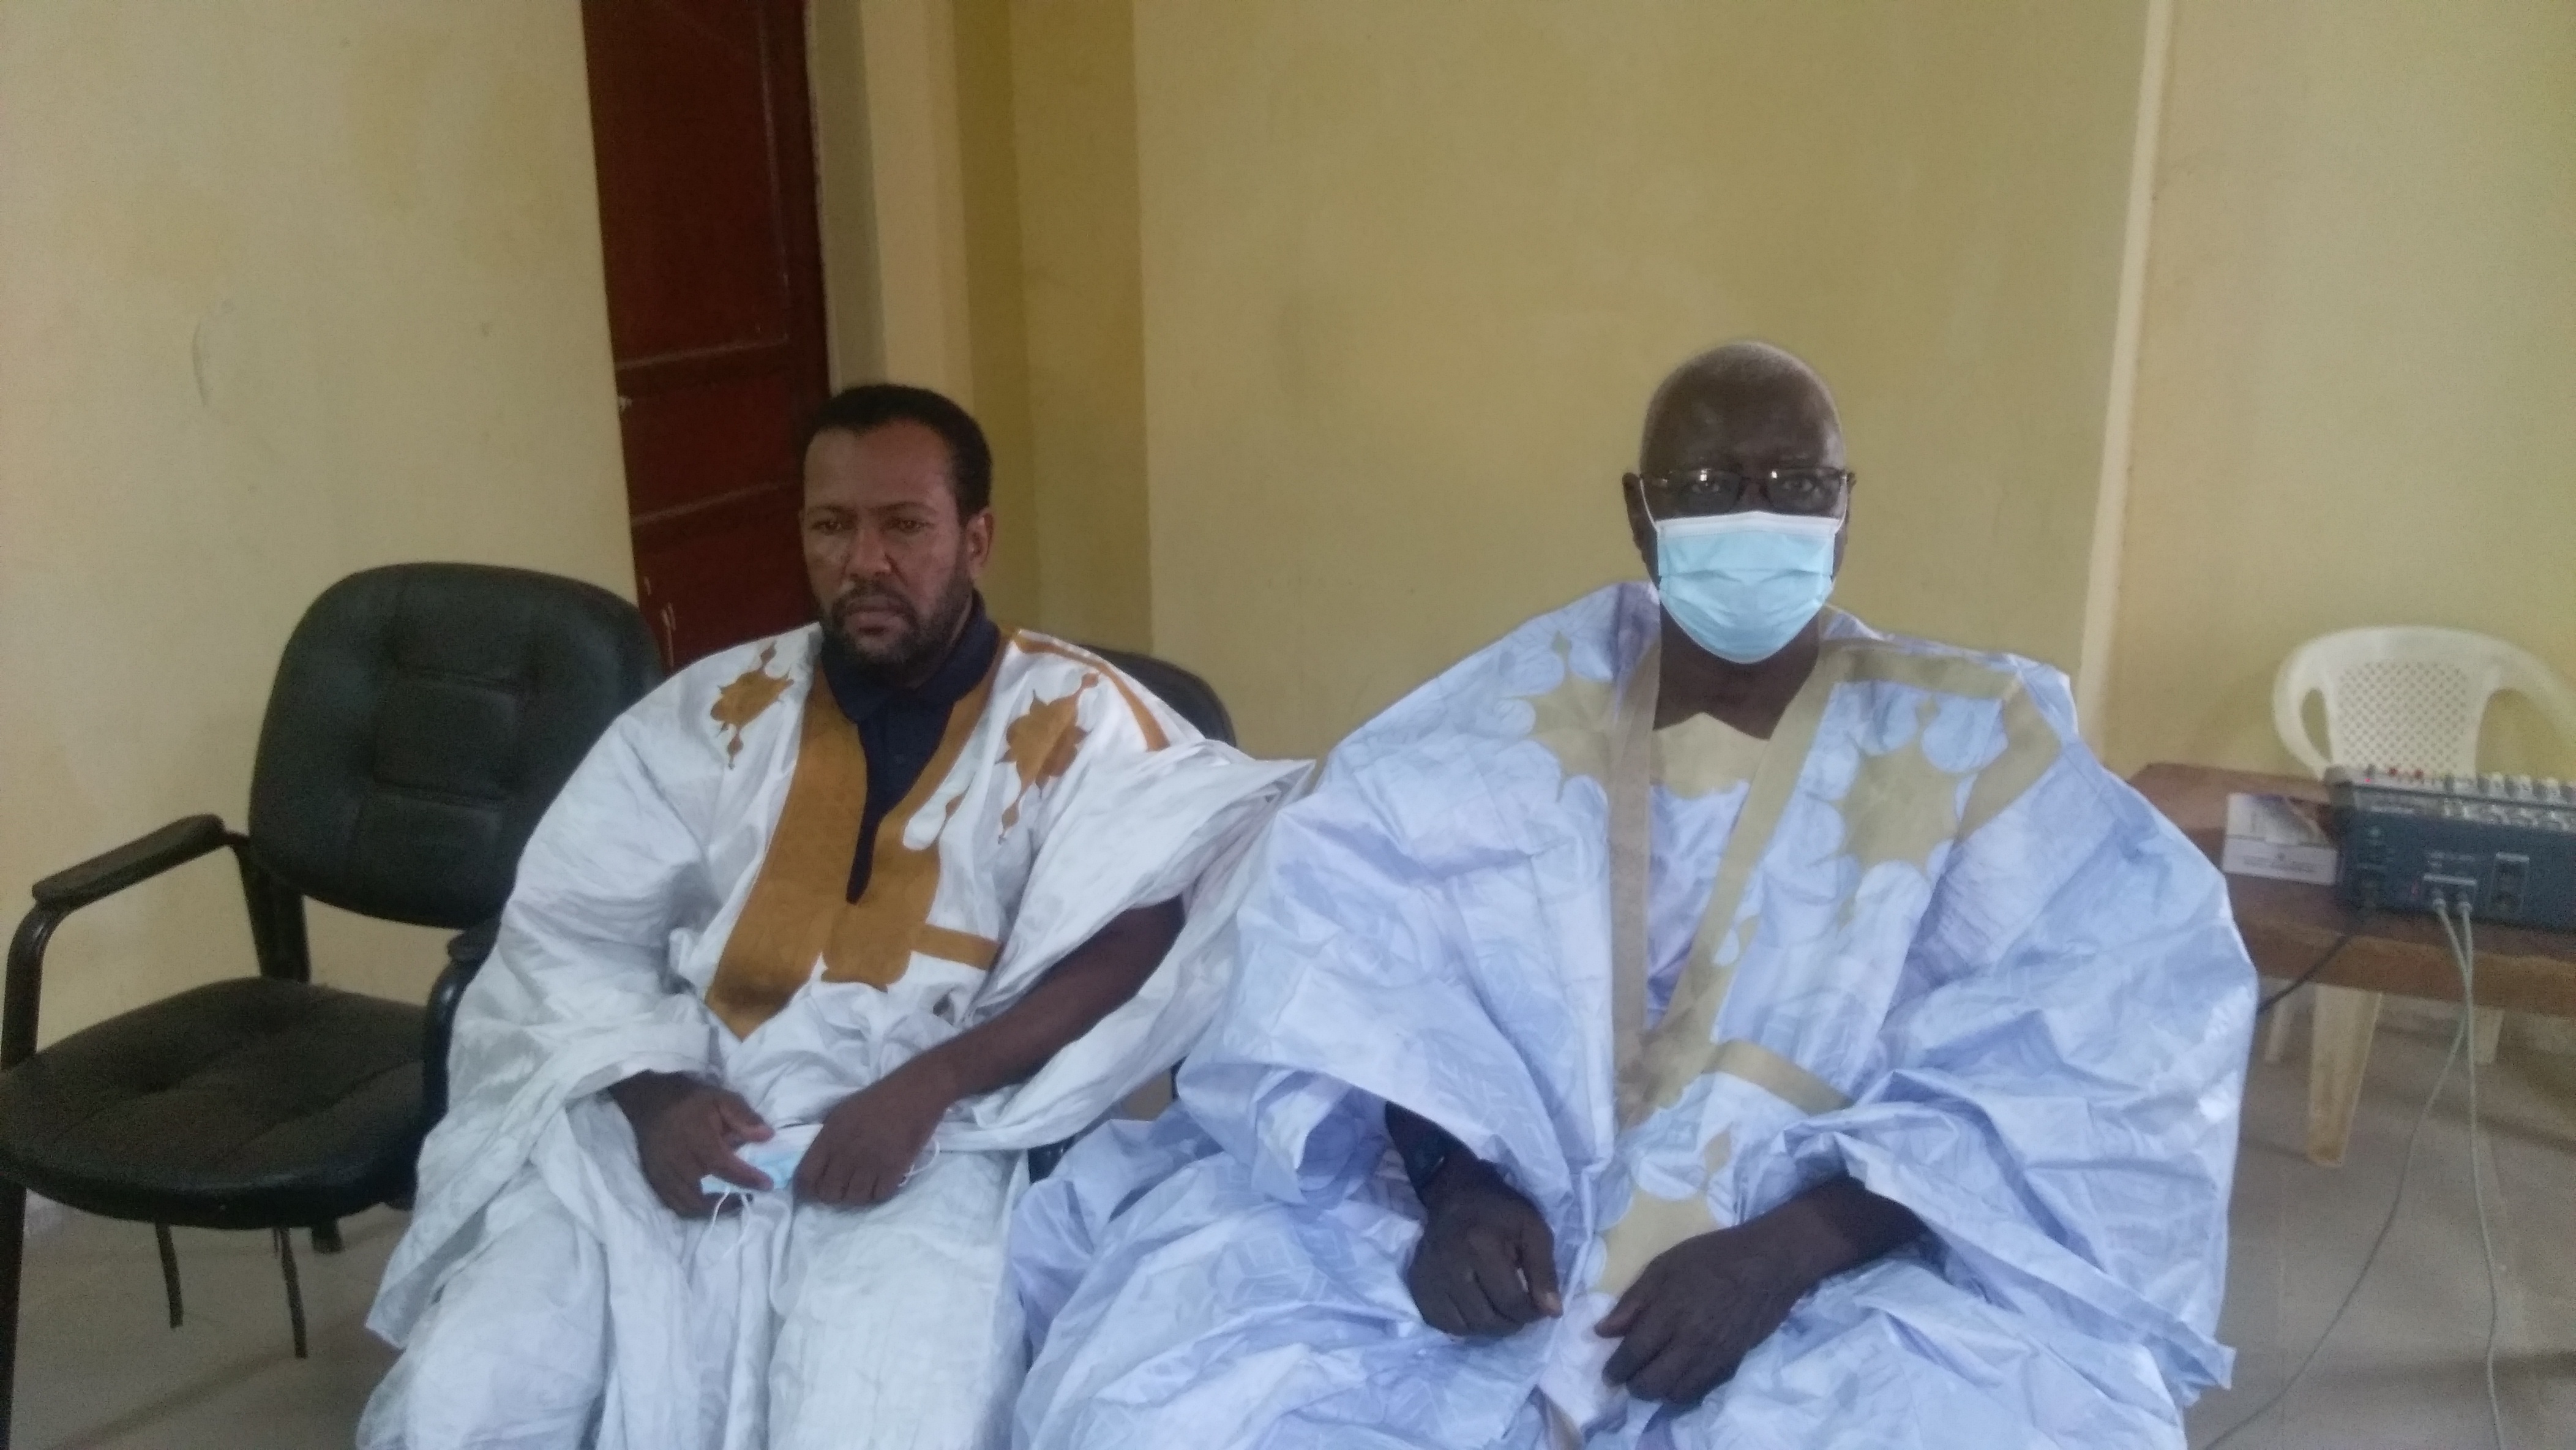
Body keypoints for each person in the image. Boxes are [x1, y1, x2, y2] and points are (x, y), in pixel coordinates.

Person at [1011, 342, 2256, 1448]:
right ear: (1639, 509)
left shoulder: (1975, 748)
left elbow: (2106, 1053)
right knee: (1165, 1394)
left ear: (1844, 511)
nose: (1756, 515)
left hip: (1849, 1242)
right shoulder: (1509, 722)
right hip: (1511, 1224)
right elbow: (1348, 969)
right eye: (1709, 485)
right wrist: (1454, 1183)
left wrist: (1790, 1249)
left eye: (1795, 483)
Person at [360, 383, 1305, 1450]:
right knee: (467, 1399)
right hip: (683, 1112)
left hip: (936, 1136)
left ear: (975, 539)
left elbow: (1144, 931)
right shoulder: (712, 712)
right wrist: (658, 1100)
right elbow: (572, 934)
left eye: (904, 526)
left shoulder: (1082, 718)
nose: (865, 561)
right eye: (830, 527)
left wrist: (931, 1085)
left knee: (876, 1417)